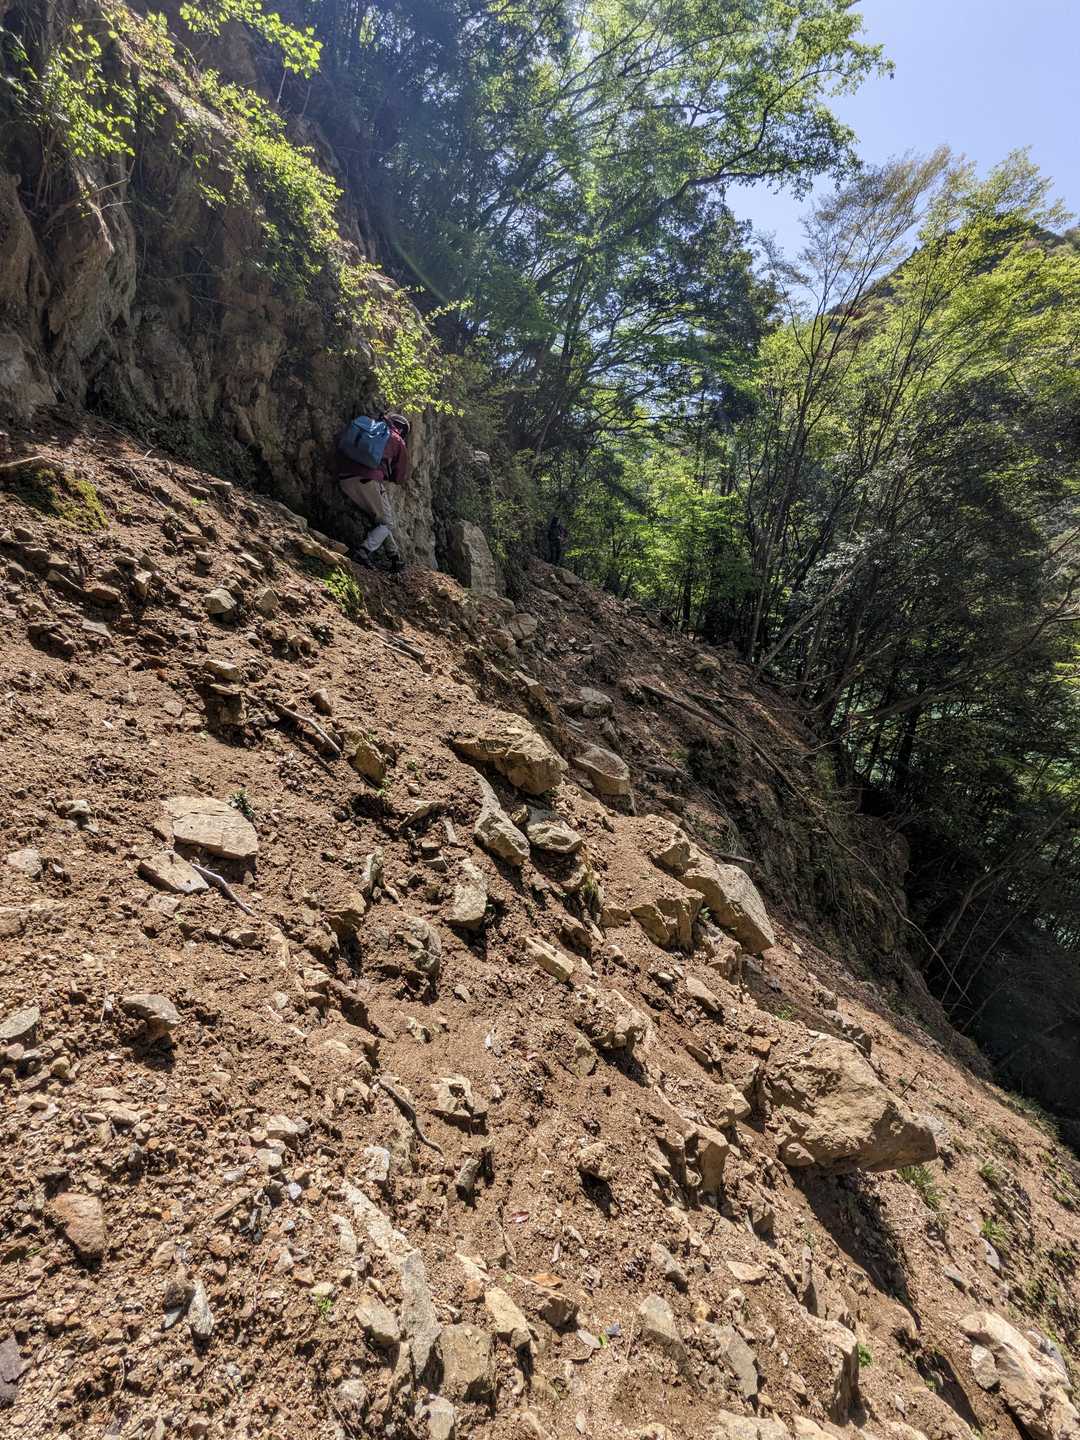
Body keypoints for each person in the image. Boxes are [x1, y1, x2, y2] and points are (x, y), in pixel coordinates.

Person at [336, 411, 411, 572]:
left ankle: (395, 557)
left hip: (343, 477)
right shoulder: (397, 440)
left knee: (381, 520)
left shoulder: (370, 426)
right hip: (367, 480)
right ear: (402, 430)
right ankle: (364, 551)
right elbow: (400, 476)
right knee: (387, 523)